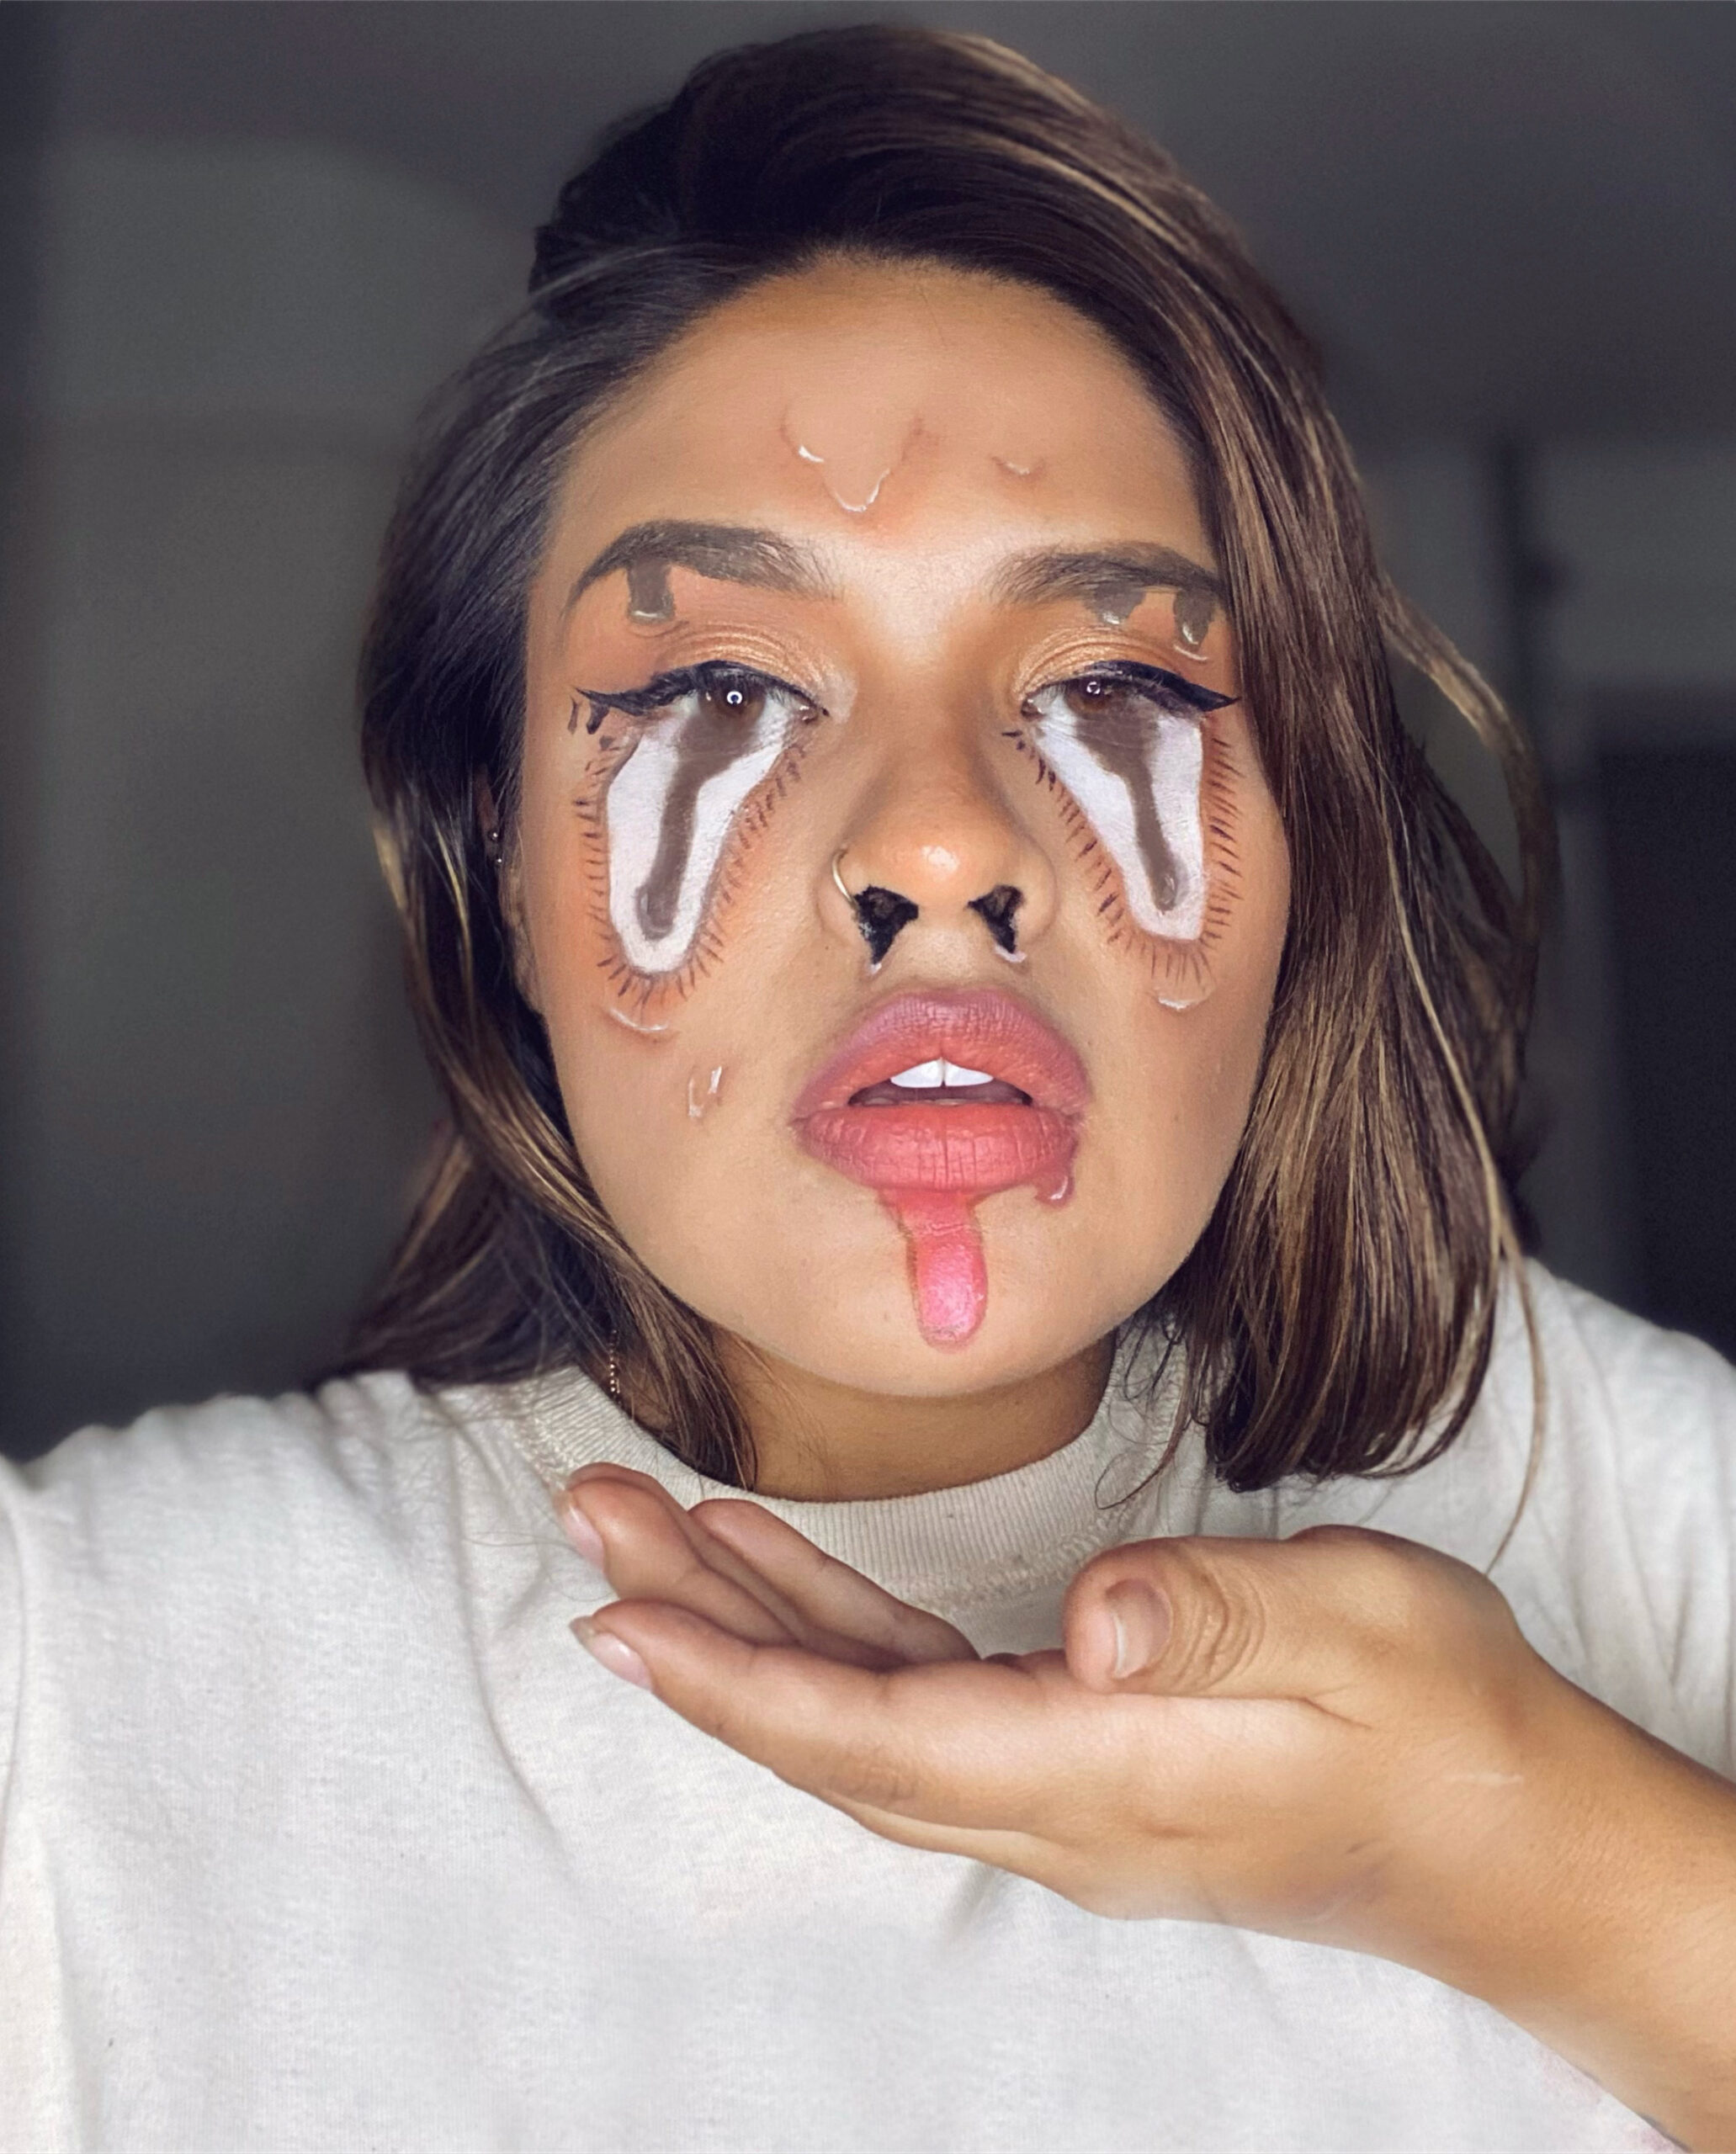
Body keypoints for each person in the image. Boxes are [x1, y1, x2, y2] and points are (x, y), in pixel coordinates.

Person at [3, 24, 1732, 2152]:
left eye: (1117, 680)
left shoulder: (1631, 1513)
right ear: (502, 879)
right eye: (724, 685)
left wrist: (1531, 1852)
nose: (940, 843)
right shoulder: (79, 1689)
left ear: (1307, 855)